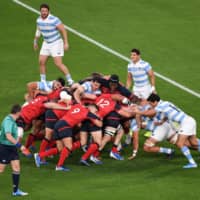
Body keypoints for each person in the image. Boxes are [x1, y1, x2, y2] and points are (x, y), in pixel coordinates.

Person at [133, 93, 200, 169]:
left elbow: (150, 113)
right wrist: (161, 121)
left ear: (155, 102)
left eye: (151, 103)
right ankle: (192, 162)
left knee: (179, 143)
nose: (151, 106)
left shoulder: (160, 106)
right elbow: (168, 114)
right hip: (190, 120)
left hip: (186, 123)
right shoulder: (166, 103)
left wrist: (138, 112)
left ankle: (192, 163)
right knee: (194, 143)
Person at [33, 3, 74, 86]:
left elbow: (63, 30)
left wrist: (66, 43)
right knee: (41, 62)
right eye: (42, 11)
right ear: (40, 11)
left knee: (58, 63)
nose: (44, 12)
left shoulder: (54, 20)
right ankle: (43, 81)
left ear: (48, 11)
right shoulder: (39, 20)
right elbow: (38, 30)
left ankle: (70, 80)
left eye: (45, 11)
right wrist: (35, 41)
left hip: (56, 43)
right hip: (46, 43)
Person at [0, 104, 28, 196]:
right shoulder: (8, 121)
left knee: (16, 168)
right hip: (4, 148)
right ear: (18, 112)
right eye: (21, 112)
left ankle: (15, 191)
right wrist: (20, 146)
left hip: (12, 148)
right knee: (1, 169)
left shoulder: (13, 120)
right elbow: (8, 136)